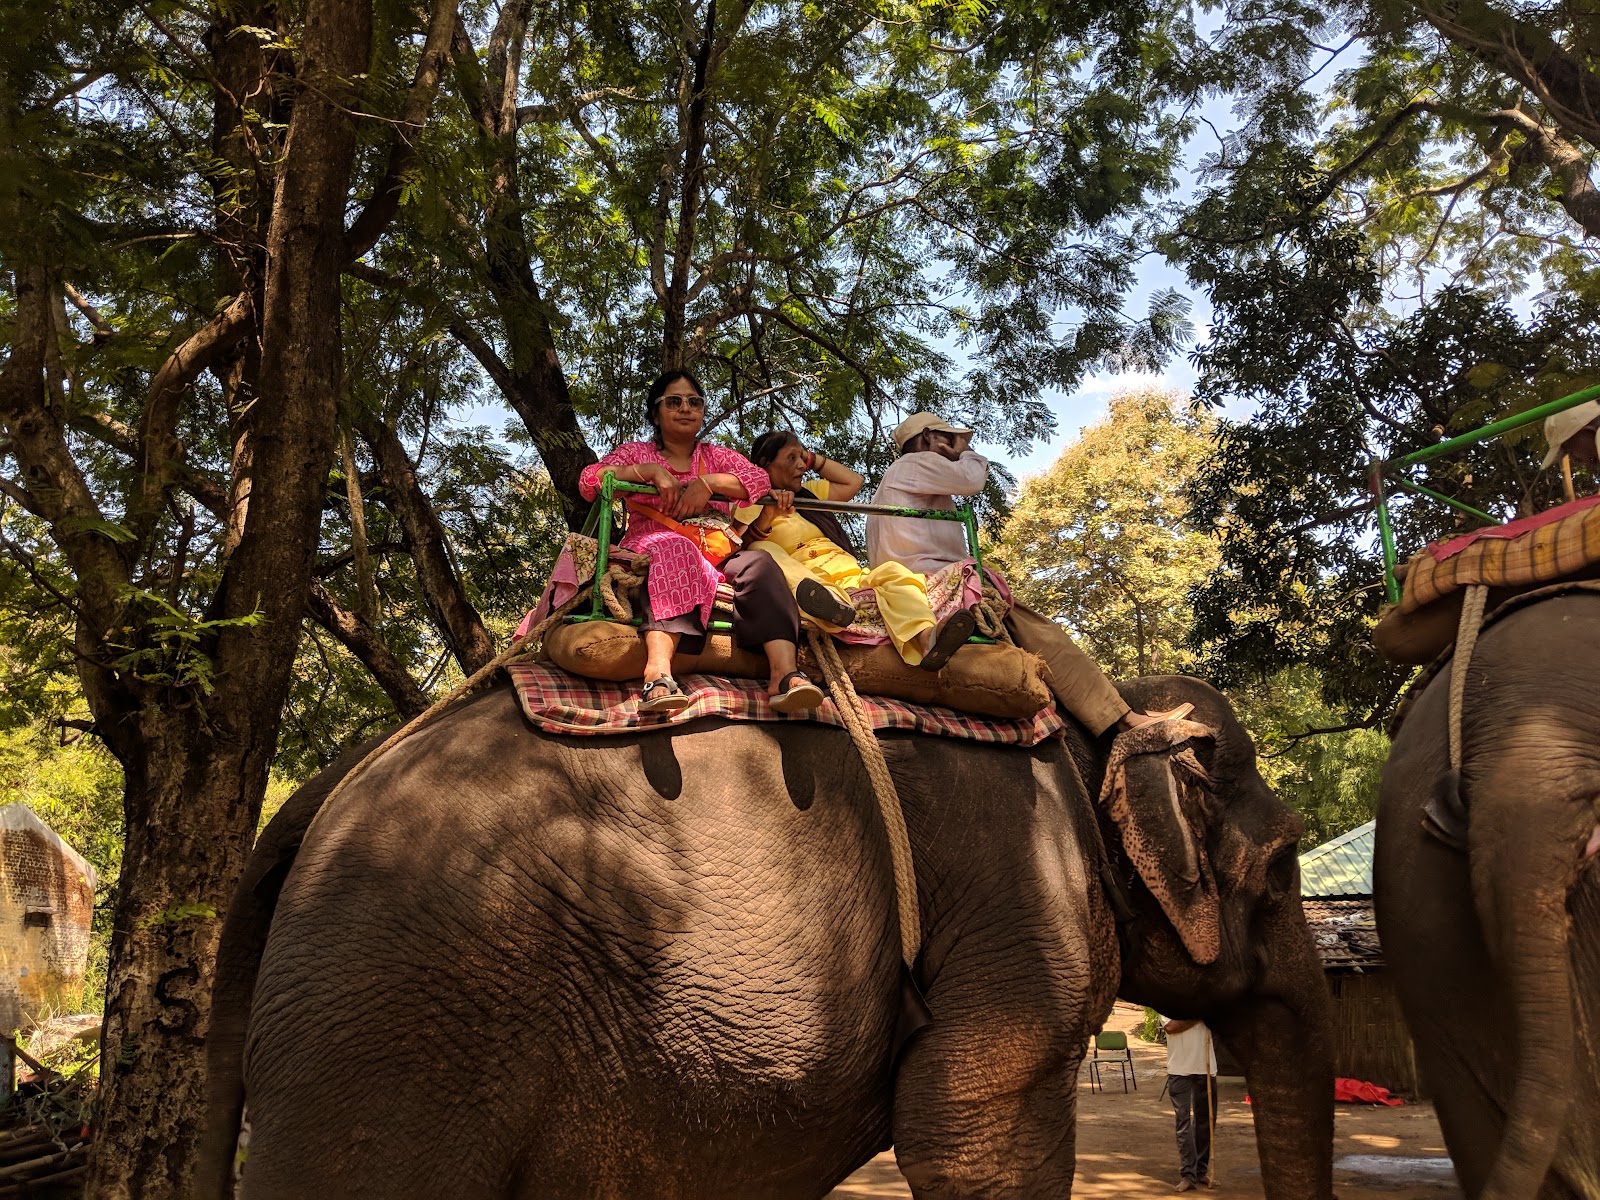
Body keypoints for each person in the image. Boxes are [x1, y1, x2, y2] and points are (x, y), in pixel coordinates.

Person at [865, 411, 1187, 735]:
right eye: (948, 436)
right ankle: (1122, 719)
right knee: (1042, 633)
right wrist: (966, 451)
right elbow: (971, 480)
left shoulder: (892, 482)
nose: (957, 443)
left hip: (909, 581)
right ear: (928, 438)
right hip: (934, 577)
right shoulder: (915, 463)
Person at [578, 371, 824, 714]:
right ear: (655, 412)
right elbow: (590, 480)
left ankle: (784, 675)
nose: (685, 409)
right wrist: (647, 473)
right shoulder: (636, 452)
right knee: (676, 549)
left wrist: (707, 484)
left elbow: (759, 478)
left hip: (716, 550)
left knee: (761, 564)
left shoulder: (717, 456)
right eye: (674, 401)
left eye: (695, 402)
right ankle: (658, 674)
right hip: (658, 543)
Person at [737, 430, 976, 670]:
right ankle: (828, 604)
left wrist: (811, 458)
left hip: (848, 572)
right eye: (791, 458)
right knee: (761, 549)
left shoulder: (810, 493)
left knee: (894, 573)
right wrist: (768, 515)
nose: (801, 465)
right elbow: (739, 545)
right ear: (766, 464)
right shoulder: (750, 500)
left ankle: (927, 638)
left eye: (802, 458)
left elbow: (853, 482)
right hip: (807, 577)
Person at [1161, 1015, 1217, 1192]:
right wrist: (1199, 1015)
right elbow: (1170, 1027)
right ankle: (1188, 1174)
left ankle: (1200, 1171)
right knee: (1183, 1123)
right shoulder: (1166, 1000)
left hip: (1206, 1067)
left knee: (1205, 1123)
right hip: (1179, 1070)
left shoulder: (1203, 998)